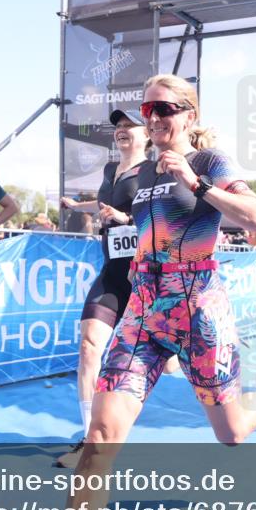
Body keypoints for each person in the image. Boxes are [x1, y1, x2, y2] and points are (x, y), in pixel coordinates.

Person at [6, 74, 256, 510]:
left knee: (231, 432)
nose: (155, 117)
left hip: (198, 309)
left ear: (188, 115)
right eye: (148, 108)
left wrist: (195, 181)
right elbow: (133, 225)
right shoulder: (138, 172)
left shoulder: (211, 162)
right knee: (100, 434)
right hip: (144, 310)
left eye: (166, 107)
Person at [55, 109, 178, 470]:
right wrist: (81, 206)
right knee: (90, 343)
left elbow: (162, 215)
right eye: (118, 127)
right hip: (113, 269)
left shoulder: (155, 171)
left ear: (146, 135)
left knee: (168, 362)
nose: (122, 132)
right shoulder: (111, 171)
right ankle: (89, 440)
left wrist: (127, 219)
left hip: (145, 275)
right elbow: (107, 203)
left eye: (130, 127)